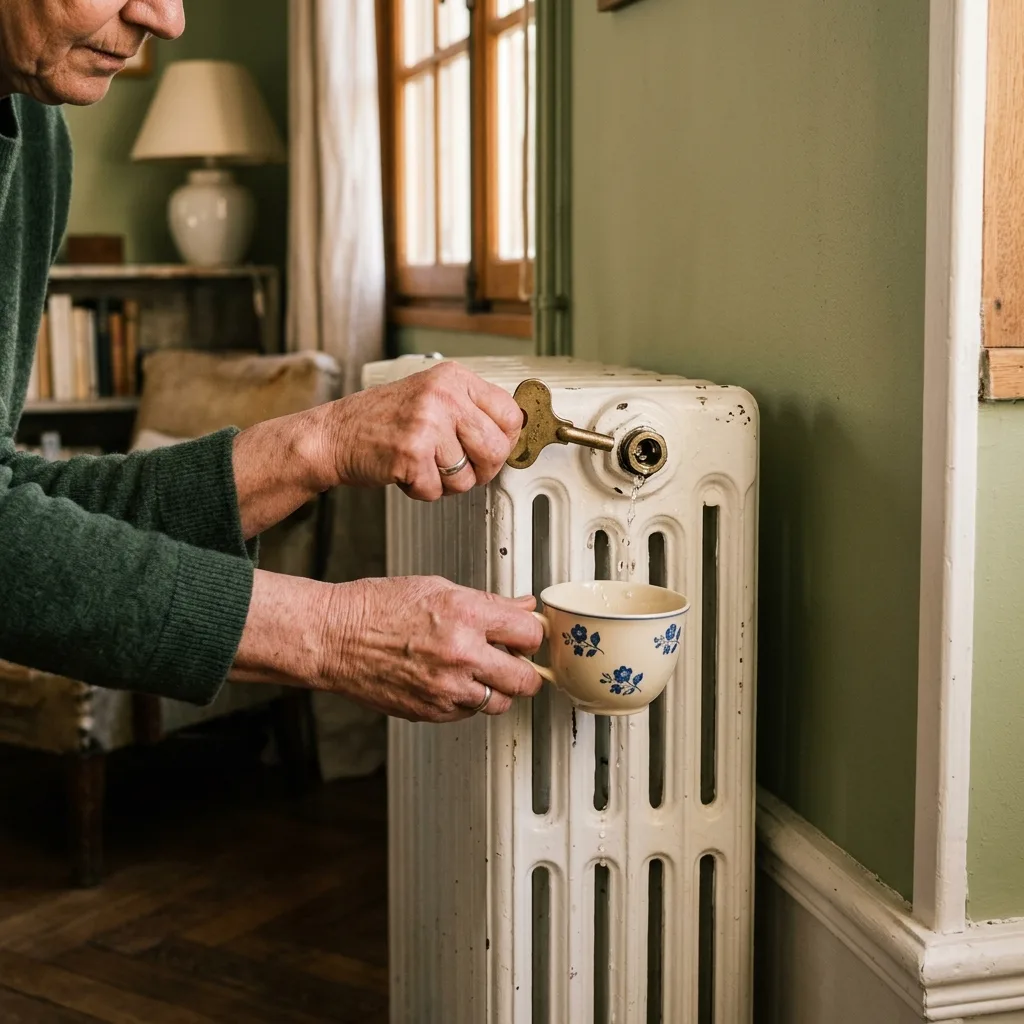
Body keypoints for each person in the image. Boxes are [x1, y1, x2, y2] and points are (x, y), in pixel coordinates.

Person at [0, 0, 543, 723]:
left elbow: (16, 507)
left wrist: (323, 442)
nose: (166, 18)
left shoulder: (37, 139)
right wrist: (334, 632)